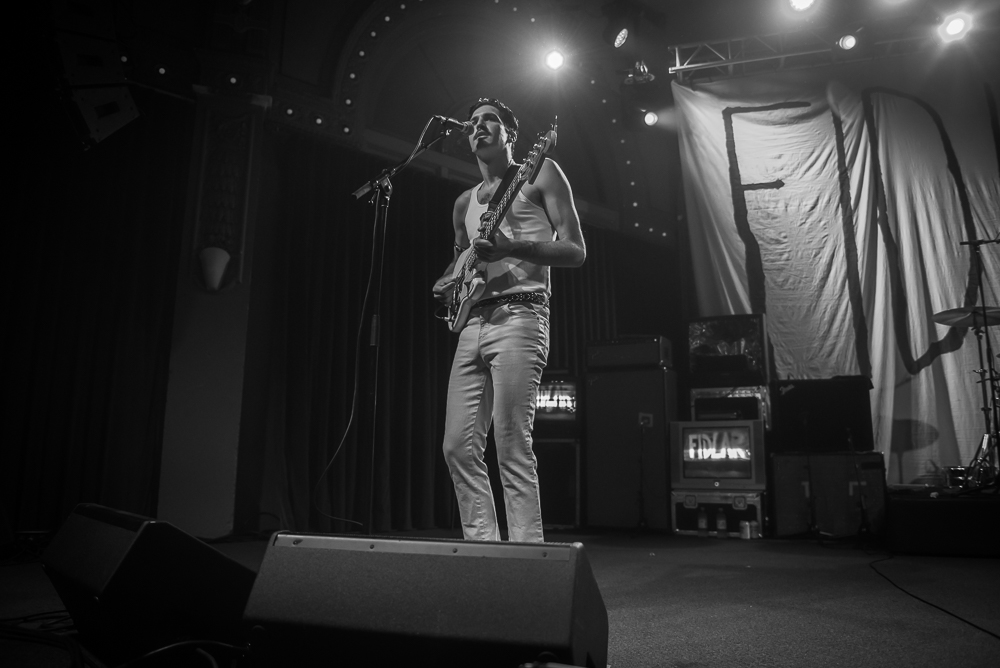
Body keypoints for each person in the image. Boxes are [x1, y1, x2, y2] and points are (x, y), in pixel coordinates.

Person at [432, 98, 586, 542]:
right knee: (457, 447)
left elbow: (575, 251)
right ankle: (484, 552)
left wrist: (512, 247)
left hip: (522, 314)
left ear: (510, 134)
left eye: (489, 120)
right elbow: (461, 262)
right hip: (472, 322)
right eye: (473, 123)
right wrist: (446, 281)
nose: (478, 127)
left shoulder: (541, 172)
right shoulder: (464, 202)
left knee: (512, 444)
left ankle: (527, 559)